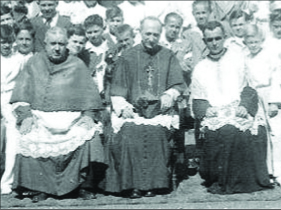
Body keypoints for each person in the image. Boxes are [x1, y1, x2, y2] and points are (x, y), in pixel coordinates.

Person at [10, 27, 107, 202]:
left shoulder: (77, 64)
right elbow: (21, 95)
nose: (57, 48)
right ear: (45, 44)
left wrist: (87, 115)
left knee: (89, 136)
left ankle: (83, 186)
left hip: (72, 119)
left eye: (61, 44)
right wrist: (26, 116)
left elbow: (90, 98)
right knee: (28, 135)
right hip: (39, 118)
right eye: (53, 44)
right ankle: (39, 187)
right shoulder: (33, 62)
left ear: (66, 45)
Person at [104, 16, 186, 199]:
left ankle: (153, 185)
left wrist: (169, 95)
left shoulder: (168, 55)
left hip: (160, 112)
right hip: (133, 111)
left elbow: (178, 85)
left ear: (160, 34)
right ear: (140, 32)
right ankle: (132, 186)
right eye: (148, 33)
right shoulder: (127, 56)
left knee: (156, 133)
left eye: (155, 34)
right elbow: (117, 90)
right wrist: (123, 107)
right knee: (129, 133)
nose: (151, 38)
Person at [190, 21, 273, 194]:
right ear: (204, 41)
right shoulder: (200, 68)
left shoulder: (238, 58)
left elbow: (250, 87)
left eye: (218, 38)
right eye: (210, 39)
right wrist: (206, 109)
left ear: (224, 38)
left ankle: (244, 182)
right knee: (220, 131)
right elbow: (197, 99)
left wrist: (244, 105)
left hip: (238, 107)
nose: (214, 43)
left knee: (239, 130)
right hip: (215, 112)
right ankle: (223, 180)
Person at [0, 23, 34, 195]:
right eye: (1, 42)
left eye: (7, 42)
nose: (5, 45)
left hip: (11, 100)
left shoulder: (18, 60)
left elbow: (22, 86)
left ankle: (8, 180)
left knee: (13, 130)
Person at [84, 14, 109, 94]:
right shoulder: (84, 50)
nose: (93, 35)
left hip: (107, 89)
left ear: (103, 29)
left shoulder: (110, 47)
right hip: (89, 90)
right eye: (89, 32)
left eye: (96, 31)